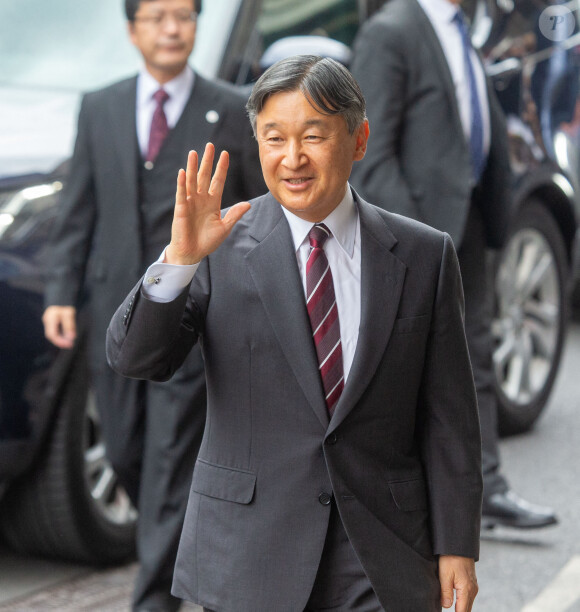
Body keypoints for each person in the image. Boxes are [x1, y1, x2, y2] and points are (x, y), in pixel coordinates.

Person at [107, 55, 482, 612]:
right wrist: (180, 259)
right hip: (250, 551)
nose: (293, 159)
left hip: (381, 554)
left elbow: (449, 415)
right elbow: (138, 359)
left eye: (313, 136)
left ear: (359, 140)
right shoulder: (216, 249)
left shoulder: (424, 254)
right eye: (274, 138)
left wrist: (456, 545)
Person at [42, 0, 265, 609]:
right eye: (158, 17)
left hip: (193, 323)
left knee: (168, 463)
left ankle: (154, 598)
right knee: (122, 450)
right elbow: (78, 208)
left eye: (184, 16)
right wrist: (62, 293)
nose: (172, 28)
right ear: (132, 30)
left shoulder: (229, 107)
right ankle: (190, 541)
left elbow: (253, 215)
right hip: (117, 318)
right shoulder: (102, 106)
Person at [349, 0, 558, 530]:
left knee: (475, 353)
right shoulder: (391, 31)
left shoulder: (460, 28)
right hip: (418, 230)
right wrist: (410, 235)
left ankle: (486, 488)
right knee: (411, 366)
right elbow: (370, 152)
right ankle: (410, 508)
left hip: (465, 222)